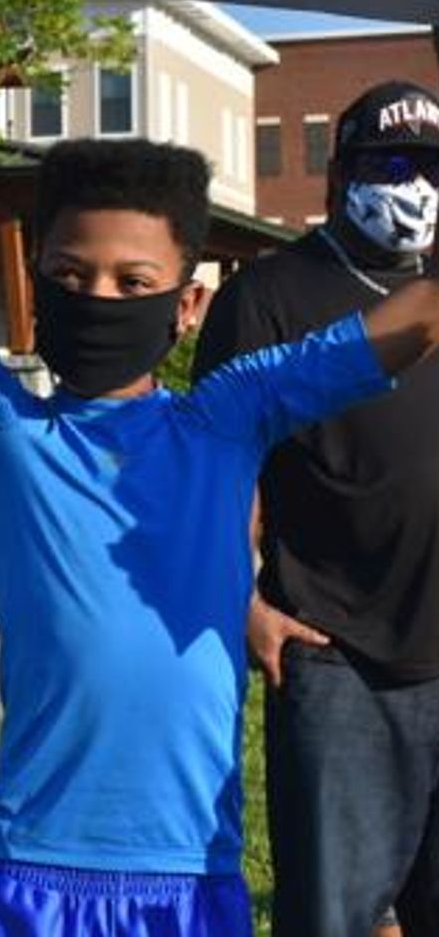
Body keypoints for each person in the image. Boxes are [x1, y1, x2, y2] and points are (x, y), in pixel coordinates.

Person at [0, 49, 439, 937]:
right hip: (27, 870)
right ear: (33, 286)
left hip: (190, 880)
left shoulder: (231, 416)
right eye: (70, 277)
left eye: (133, 283)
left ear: (186, 307)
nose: (99, 297)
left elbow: (418, 315)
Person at [193, 79, 439, 937]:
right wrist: (246, 605)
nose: (414, 184)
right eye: (390, 162)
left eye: (432, 165)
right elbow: (219, 473)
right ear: (340, 175)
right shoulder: (265, 295)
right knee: (330, 917)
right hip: (336, 656)